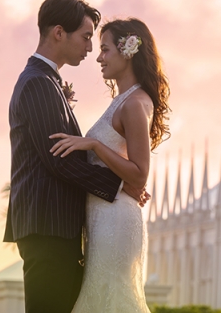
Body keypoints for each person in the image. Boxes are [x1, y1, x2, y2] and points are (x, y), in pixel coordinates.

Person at [4, 0, 148, 313]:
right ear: (58, 32)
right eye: (85, 37)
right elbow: (60, 160)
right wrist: (120, 184)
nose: (89, 48)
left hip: (58, 229)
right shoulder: (38, 83)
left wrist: (125, 177)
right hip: (48, 227)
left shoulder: (46, 82)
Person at [49, 17, 170, 312]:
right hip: (104, 217)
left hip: (115, 222)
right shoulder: (123, 100)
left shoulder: (133, 104)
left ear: (128, 51)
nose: (99, 58)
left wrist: (94, 144)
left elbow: (140, 175)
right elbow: (122, 173)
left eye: (105, 50)